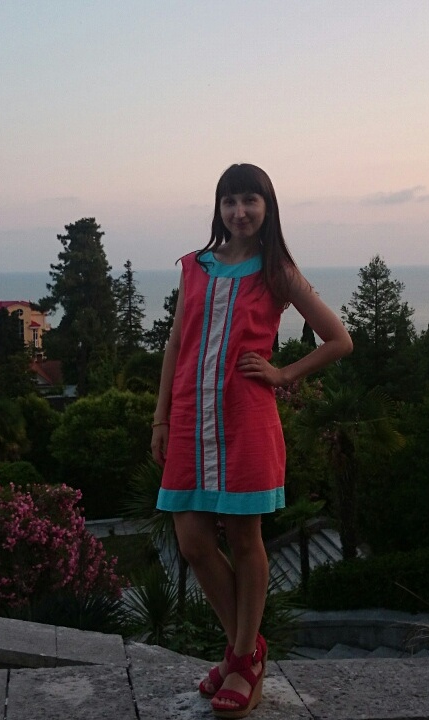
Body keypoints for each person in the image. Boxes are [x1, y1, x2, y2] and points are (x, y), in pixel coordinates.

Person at [151, 163, 352, 718]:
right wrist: (160, 418)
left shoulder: (277, 271)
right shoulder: (195, 266)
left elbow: (339, 339)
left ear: (267, 207)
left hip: (246, 419)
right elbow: (175, 343)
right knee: (192, 541)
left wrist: (284, 374)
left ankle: (241, 660)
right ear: (218, 208)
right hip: (189, 421)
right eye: (230, 201)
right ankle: (248, 651)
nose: (239, 212)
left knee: (245, 539)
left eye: (250, 201)